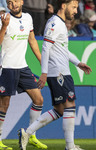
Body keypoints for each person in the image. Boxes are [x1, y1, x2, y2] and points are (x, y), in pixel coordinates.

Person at [18, 0, 92, 150]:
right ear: (63, 6)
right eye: (74, 7)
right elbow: (46, 47)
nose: (76, 11)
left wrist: (78, 63)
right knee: (70, 105)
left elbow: (63, 49)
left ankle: (27, 132)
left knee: (59, 110)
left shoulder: (60, 24)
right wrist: (44, 72)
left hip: (61, 71)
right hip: (58, 72)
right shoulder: (54, 23)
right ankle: (70, 147)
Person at [0, 0, 47, 149]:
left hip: (22, 67)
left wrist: (44, 63)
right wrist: (4, 26)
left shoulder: (28, 18)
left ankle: (31, 135)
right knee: (4, 104)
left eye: (16, 1)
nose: (13, 4)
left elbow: (32, 41)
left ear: (21, 1)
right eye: (9, 2)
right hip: (7, 67)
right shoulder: (3, 18)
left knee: (39, 99)